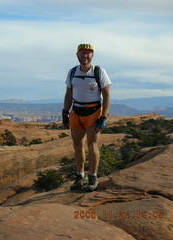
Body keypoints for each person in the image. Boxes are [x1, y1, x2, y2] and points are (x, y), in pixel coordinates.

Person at [62, 43, 112, 191]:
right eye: (83, 53)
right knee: (77, 145)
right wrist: (65, 112)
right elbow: (69, 94)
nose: (85, 56)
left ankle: (93, 176)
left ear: (92, 55)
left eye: (88, 53)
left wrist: (104, 117)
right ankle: (79, 176)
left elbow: (107, 96)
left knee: (92, 145)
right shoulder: (72, 72)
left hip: (94, 112)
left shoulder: (99, 72)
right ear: (77, 55)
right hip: (76, 112)